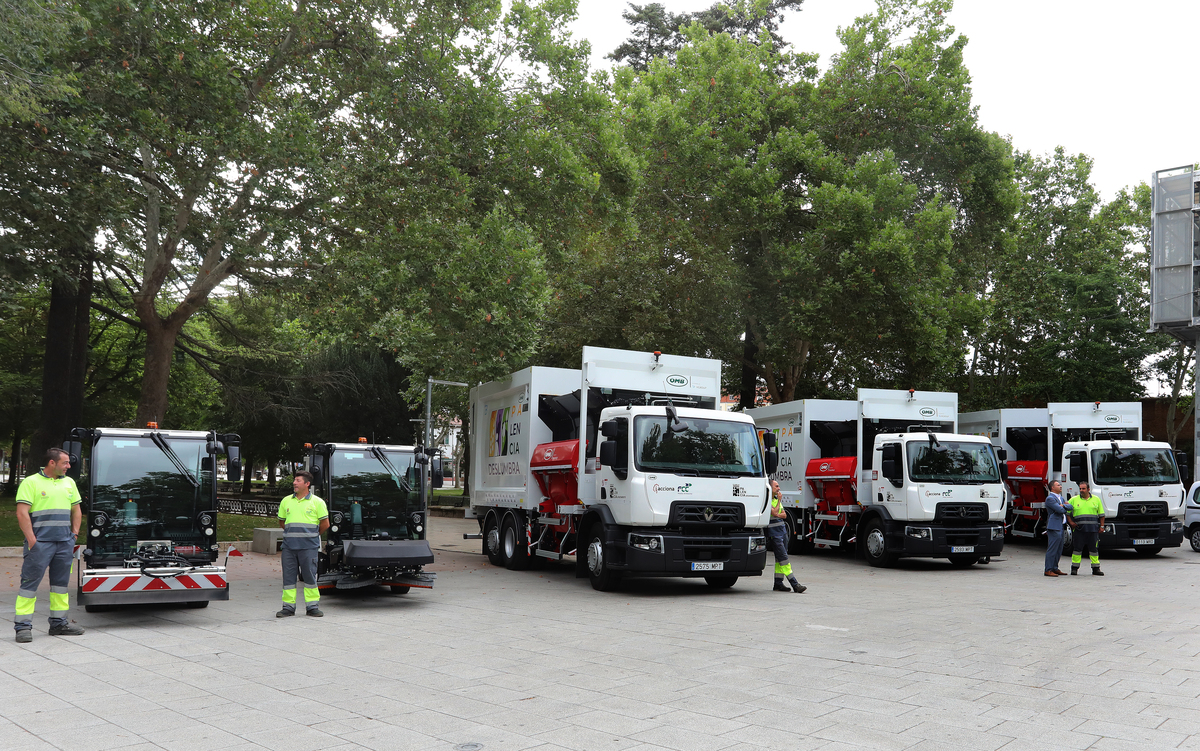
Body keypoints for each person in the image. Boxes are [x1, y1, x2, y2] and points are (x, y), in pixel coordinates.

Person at [14, 448, 85, 642]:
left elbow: (76, 510)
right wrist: (32, 540)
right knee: (29, 586)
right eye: (65, 463)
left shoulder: (69, 483)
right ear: (52, 463)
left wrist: (74, 535)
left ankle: (59, 623)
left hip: (64, 543)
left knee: (60, 586)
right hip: (40, 544)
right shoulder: (31, 482)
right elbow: (22, 513)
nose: (69, 466)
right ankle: (22, 627)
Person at [277, 470, 329, 617]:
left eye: (298, 480)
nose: (294, 483)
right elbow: (282, 521)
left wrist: (311, 536)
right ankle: (288, 607)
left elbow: (325, 524)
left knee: (310, 577)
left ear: (307, 484)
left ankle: (312, 607)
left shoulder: (317, 502)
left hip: (308, 548)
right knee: (288, 578)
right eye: (295, 480)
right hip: (289, 548)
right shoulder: (286, 501)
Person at [766, 480, 805, 593]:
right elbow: (775, 513)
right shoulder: (767, 500)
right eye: (776, 486)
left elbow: (784, 515)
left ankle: (778, 583)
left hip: (782, 531)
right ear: (770, 488)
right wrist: (778, 504)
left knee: (779, 559)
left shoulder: (774, 500)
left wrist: (777, 511)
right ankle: (795, 584)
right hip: (774, 533)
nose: (779, 488)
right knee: (783, 558)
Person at [1067, 480, 1105, 575]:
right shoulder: (1074, 499)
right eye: (1080, 488)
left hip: (1093, 530)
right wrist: (1071, 522)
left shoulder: (1096, 499)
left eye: (1083, 488)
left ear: (1088, 489)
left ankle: (1096, 569)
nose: (1081, 490)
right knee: (1077, 549)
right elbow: (1067, 513)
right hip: (1079, 530)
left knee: (1094, 550)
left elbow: (1101, 515)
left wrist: (1102, 526)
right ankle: (1074, 568)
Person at [1042, 480, 1073, 577]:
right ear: (1052, 488)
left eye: (1060, 484)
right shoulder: (1050, 498)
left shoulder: (1061, 498)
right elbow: (1059, 510)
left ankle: (1055, 568)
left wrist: (1064, 505)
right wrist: (1064, 507)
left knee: (1059, 549)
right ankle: (1048, 569)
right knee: (1053, 548)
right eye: (1058, 485)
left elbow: (1071, 506)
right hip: (1054, 526)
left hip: (1061, 525)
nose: (1060, 486)